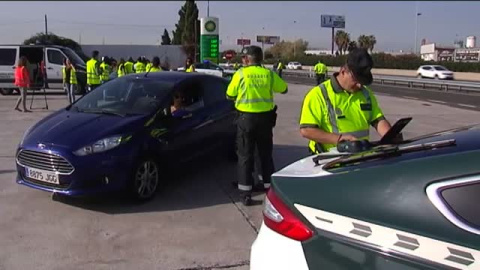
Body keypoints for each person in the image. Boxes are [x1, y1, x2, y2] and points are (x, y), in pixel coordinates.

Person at [299, 48, 392, 154]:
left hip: (360, 158)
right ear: (343, 72)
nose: (360, 85)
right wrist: (339, 139)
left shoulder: (366, 94)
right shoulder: (318, 94)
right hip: (329, 161)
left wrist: (389, 136)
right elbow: (306, 130)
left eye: (362, 81)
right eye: (356, 80)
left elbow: (378, 120)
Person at [226, 45, 288, 206]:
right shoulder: (268, 74)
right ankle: (268, 187)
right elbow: (284, 89)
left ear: (247, 59)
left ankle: (245, 192)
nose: (242, 60)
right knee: (265, 154)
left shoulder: (241, 74)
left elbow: (229, 94)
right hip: (265, 121)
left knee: (245, 155)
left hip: (246, 120)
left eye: (243, 58)